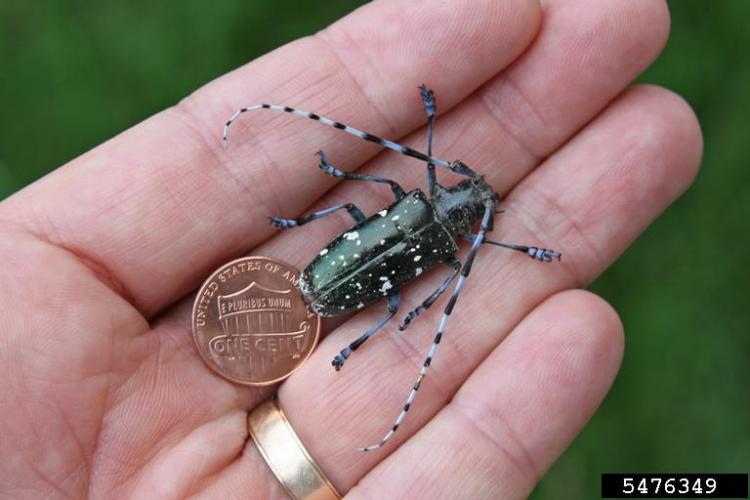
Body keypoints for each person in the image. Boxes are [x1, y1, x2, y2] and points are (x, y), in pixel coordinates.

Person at [0, 0, 702, 498]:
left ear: (455, 206)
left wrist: (371, 173)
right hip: (331, 277)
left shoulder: (430, 222)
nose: (469, 191)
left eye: (469, 198)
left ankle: (362, 333)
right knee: (381, 254)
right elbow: (416, 252)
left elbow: (386, 212)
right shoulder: (447, 244)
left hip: (337, 274)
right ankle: (362, 336)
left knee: (370, 228)